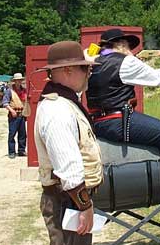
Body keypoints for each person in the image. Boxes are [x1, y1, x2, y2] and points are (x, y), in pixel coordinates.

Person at [86, 28, 160, 213]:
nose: (131, 50)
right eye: (128, 46)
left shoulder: (92, 62)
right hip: (117, 121)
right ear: (122, 45)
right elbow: (159, 78)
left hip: (99, 122)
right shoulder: (125, 61)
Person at [35, 40, 102, 245]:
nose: (89, 72)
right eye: (85, 68)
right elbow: (68, 167)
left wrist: (87, 59)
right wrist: (85, 206)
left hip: (69, 199)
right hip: (69, 200)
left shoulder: (64, 100)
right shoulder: (58, 110)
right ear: (68, 70)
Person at [2, 73, 27, 159]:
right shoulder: (9, 91)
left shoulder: (24, 90)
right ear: (14, 81)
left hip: (22, 114)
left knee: (22, 134)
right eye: (17, 80)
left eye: (20, 80)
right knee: (12, 134)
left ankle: (21, 150)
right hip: (13, 115)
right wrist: (11, 110)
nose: (19, 82)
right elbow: (5, 103)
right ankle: (11, 152)